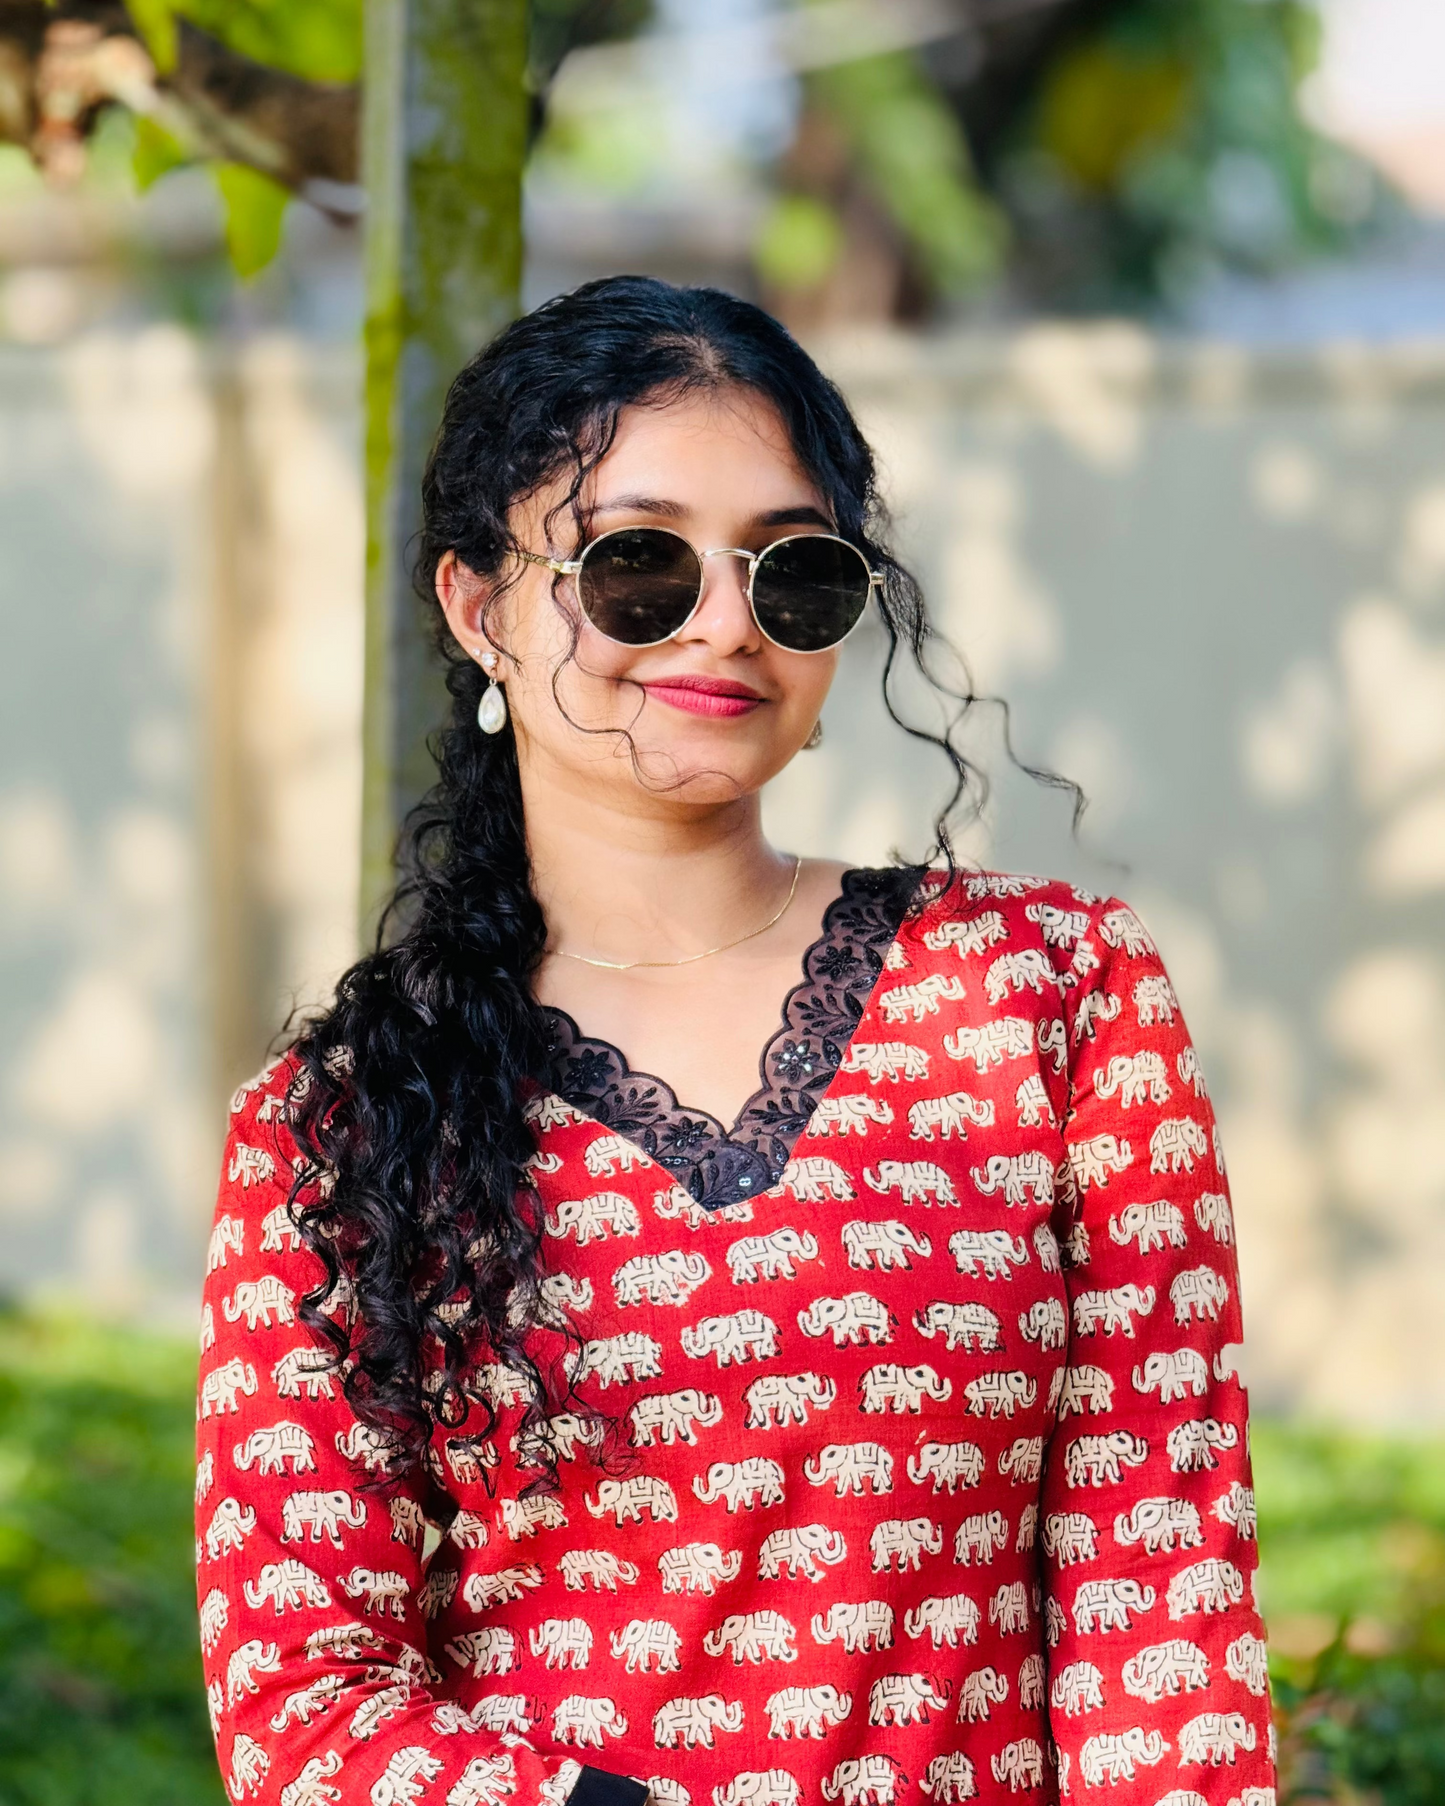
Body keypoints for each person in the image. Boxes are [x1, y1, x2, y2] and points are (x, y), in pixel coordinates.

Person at [197, 277, 1275, 1806]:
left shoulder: (1056, 995)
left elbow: (1159, 1588)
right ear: (476, 605)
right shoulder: (339, 1119)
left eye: (793, 572)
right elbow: (303, 1702)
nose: (722, 621)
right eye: (637, 563)